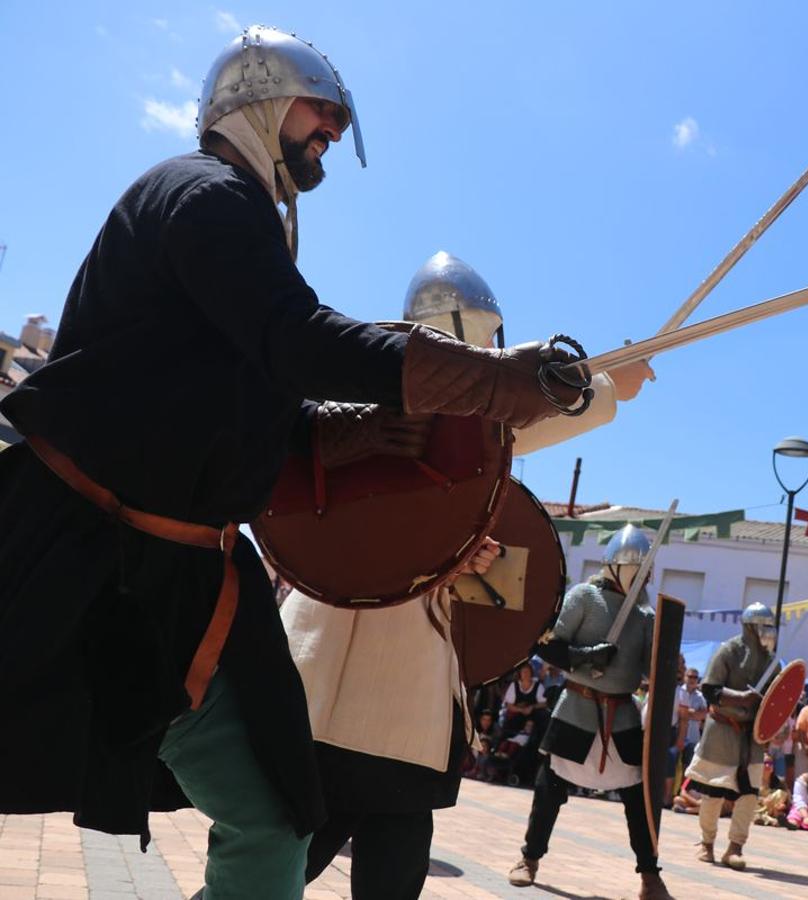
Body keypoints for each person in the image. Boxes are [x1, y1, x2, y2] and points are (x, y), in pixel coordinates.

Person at [0, 24, 584, 900]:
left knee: (275, 823)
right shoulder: (201, 194)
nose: (334, 134)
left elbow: (239, 401)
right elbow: (296, 338)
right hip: (78, 554)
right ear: (258, 98)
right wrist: (490, 385)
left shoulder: (243, 225)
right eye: (322, 111)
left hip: (192, 584)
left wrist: (324, 438)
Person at [282, 251, 652, 898]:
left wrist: (465, 552)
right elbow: (511, 415)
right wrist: (607, 388)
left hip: (397, 694)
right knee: (276, 868)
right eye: (480, 336)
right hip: (346, 688)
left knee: (380, 869)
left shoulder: (419, 397)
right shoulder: (382, 385)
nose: (489, 352)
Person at [507, 525, 674, 900]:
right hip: (578, 706)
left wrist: (667, 661)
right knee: (549, 790)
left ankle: (650, 876)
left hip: (624, 713)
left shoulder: (646, 616)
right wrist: (585, 657)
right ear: (619, 566)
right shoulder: (583, 597)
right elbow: (546, 646)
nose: (644, 575)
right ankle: (529, 860)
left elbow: (652, 671)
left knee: (638, 799)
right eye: (639, 567)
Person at [684, 602, 778, 870]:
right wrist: (740, 697)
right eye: (763, 625)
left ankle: (735, 847)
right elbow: (710, 689)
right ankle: (707, 843)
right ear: (750, 626)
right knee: (713, 791)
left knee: (748, 794)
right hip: (723, 728)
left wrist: (768, 720)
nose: (768, 631)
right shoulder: (728, 651)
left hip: (752, 736)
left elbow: (778, 700)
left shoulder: (772, 662)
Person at [677, 668, 709, 769]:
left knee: (688, 769)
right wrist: (694, 714)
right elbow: (676, 712)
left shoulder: (700, 697)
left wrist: (684, 712)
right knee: (674, 769)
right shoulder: (678, 692)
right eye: (690, 676)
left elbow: (704, 715)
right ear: (685, 677)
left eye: (695, 677)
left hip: (693, 739)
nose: (692, 679)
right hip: (677, 737)